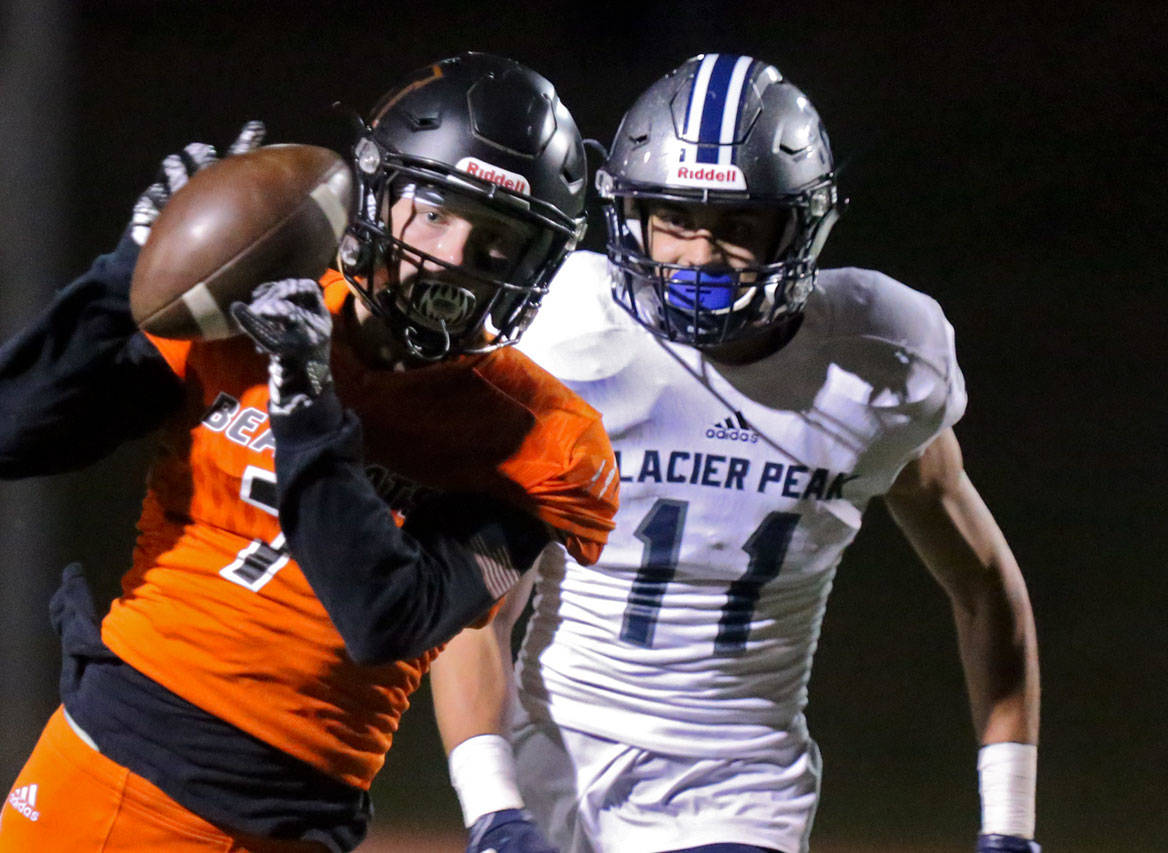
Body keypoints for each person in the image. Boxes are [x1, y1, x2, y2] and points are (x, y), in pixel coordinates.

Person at [0, 52, 617, 853]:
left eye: (499, 243)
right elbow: (0, 431)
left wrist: (305, 395)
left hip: (305, 819)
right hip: (116, 766)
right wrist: (130, 268)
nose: (454, 257)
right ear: (379, 193)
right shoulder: (253, 296)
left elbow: (385, 615)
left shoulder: (540, 435)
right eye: (437, 213)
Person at [430, 54, 1041, 853]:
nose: (699, 256)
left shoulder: (882, 360)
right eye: (676, 217)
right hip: (553, 756)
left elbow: (984, 586)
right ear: (630, 211)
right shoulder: (565, 337)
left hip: (737, 790)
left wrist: (1009, 821)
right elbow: (476, 602)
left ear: (802, 226)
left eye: (738, 227)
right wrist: (495, 808)